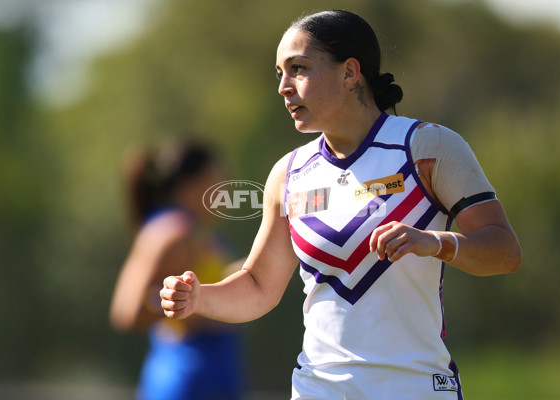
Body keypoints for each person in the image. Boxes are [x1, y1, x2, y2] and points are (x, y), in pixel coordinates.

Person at [160, 9, 522, 400]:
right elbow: (259, 285)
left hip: (416, 388)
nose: (283, 86)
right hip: (318, 389)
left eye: (298, 68)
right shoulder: (289, 173)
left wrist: (435, 242)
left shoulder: (427, 147)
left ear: (350, 72)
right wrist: (200, 297)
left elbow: (504, 251)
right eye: (279, 72)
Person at [109, 139, 246, 400]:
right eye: (218, 180)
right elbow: (127, 312)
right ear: (190, 184)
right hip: (183, 379)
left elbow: (204, 285)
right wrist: (196, 309)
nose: (226, 190)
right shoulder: (171, 234)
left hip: (215, 379)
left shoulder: (201, 234)